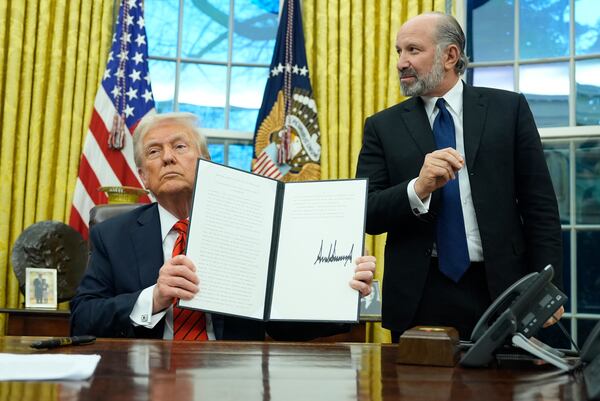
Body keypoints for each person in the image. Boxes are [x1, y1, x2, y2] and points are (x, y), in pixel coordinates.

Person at [71, 112, 376, 340]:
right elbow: (82, 318)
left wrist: (340, 293)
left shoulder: (253, 228)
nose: (167, 158)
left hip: (235, 379)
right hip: (146, 378)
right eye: (154, 151)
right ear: (143, 176)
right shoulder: (111, 235)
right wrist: (154, 297)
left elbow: (281, 324)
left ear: (205, 161)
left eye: (180, 147)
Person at [355, 12, 563, 341]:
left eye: (413, 50)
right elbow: (366, 213)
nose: (401, 62)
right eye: (399, 51)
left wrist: (548, 287)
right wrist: (417, 189)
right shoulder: (382, 126)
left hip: (503, 289)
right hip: (419, 296)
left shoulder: (509, 111)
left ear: (450, 55)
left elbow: (540, 208)